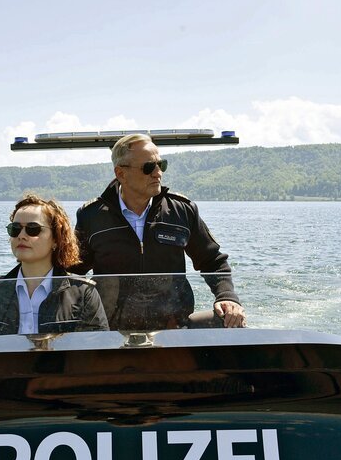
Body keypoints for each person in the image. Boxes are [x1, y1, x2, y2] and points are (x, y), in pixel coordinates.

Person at [73, 133, 246, 330]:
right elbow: (72, 272)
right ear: (121, 173)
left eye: (161, 165)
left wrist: (227, 297)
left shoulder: (181, 211)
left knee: (232, 322)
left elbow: (212, 261)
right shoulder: (92, 216)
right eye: (148, 167)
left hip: (173, 327)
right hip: (112, 332)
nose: (158, 173)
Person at [0, 194, 108, 338]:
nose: (22, 235)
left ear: (56, 239)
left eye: (32, 229)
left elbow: (96, 352)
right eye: (15, 229)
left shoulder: (82, 294)